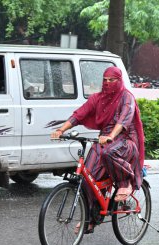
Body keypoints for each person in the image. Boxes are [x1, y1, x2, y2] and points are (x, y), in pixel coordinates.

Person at [50, 67, 145, 233]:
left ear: (119, 80)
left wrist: (111, 135)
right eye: (105, 80)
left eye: (112, 80)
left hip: (126, 140)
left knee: (109, 152)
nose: (107, 83)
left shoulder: (126, 97)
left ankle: (124, 183)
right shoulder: (98, 98)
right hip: (105, 140)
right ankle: (91, 219)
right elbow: (79, 114)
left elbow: (123, 121)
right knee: (87, 177)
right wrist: (61, 130)